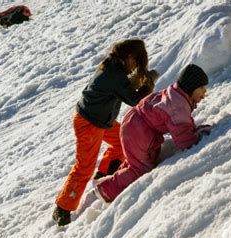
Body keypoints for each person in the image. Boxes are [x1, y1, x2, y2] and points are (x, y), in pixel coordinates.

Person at [53, 39, 158, 226]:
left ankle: (103, 176)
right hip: (90, 123)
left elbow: (122, 89)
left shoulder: (112, 65)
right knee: (84, 165)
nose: (135, 66)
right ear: (129, 57)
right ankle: (62, 208)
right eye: (136, 61)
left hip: (99, 120)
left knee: (121, 141)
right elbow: (134, 99)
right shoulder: (115, 73)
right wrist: (148, 82)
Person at [94, 64, 212, 203]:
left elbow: (183, 124)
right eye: (202, 88)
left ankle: (115, 180)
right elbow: (184, 139)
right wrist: (198, 136)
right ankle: (106, 190)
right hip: (138, 131)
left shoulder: (175, 94)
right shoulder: (177, 105)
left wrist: (194, 130)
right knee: (141, 168)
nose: (204, 92)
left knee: (138, 161)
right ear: (191, 87)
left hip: (135, 125)